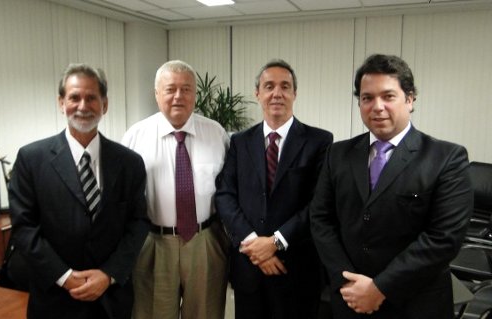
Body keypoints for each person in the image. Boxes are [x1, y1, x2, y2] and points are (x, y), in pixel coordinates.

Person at [309, 54, 473, 318]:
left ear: (409, 99)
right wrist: (347, 281)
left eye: (388, 96)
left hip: (414, 302)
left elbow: (443, 238)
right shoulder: (338, 154)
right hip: (349, 300)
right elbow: (320, 219)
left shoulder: (446, 158)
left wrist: (379, 288)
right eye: (367, 98)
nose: (377, 106)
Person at [9, 63, 150, 319]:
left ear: (104, 105)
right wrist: (65, 277)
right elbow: (24, 228)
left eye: (91, 98)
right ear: (61, 103)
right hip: (55, 298)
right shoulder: (31, 159)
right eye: (74, 97)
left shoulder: (129, 162)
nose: (83, 106)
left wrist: (108, 274)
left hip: (111, 298)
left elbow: (138, 223)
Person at [214, 59, 333, 319]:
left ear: (294, 94)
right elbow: (225, 195)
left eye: (285, 86)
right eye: (269, 86)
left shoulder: (319, 141)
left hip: (295, 268)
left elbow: (318, 203)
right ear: (258, 93)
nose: (276, 93)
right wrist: (254, 244)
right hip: (249, 266)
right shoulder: (239, 142)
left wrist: (276, 242)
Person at [121, 60, 230, 319]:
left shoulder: (216, 134)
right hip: (154, 243)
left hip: (205, 241)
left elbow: (230, 191)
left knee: (205, 313)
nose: (178, 96)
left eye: (186, 89)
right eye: (170, 89)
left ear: (195, 94)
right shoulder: (135, 137)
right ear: (157, 94)